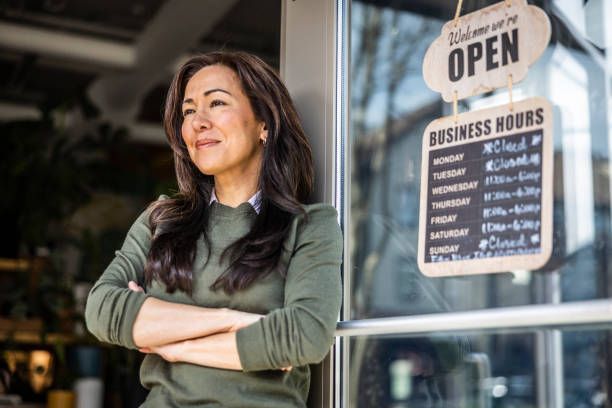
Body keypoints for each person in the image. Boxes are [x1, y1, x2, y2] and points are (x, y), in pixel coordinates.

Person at [84, 51, 343, 407]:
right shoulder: (160, 220)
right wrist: (231, 320)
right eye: (189, 111)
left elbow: (304, 335)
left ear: (263, 123)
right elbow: (101, 310)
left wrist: (168, 341)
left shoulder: (310, 226)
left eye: (216, 103)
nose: (197, 122)